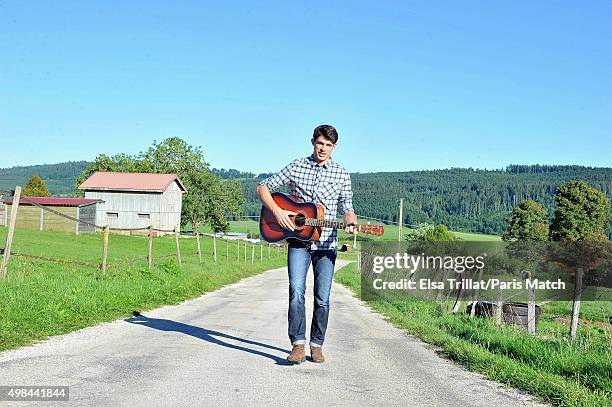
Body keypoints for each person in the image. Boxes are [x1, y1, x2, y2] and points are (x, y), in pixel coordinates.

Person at [256, 124, 358, 364]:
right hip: (298, 241)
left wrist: (351, 223)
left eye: (328, 145)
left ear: (334, 147)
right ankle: (298, 345)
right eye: (320, 143)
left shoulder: (342, 174)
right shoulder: (297, 166)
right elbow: (263, 188)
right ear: (313, 142)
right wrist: (278, 212)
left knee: (322, 298)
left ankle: (317, 344)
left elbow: (348, 208)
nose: (323, 149)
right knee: (296, 292)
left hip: (327, 245)